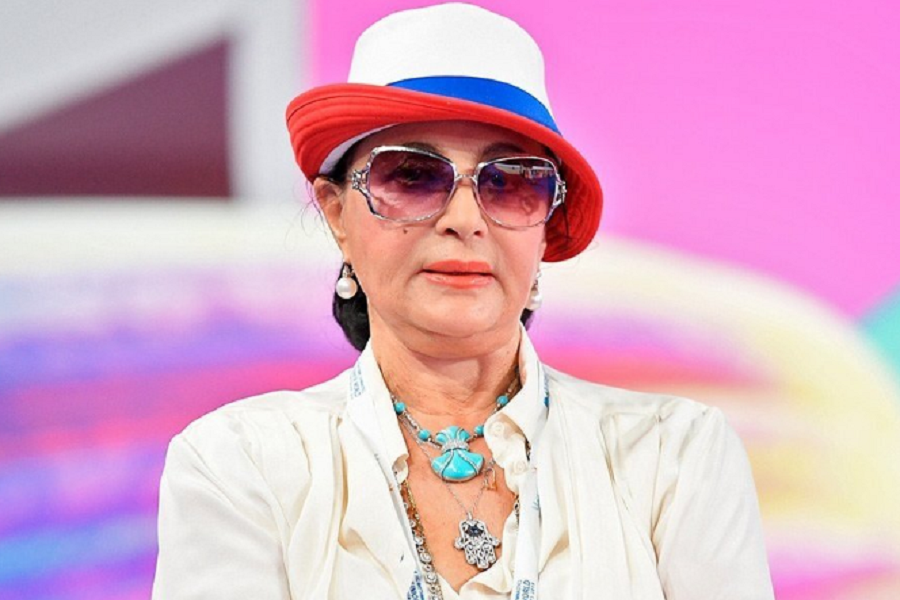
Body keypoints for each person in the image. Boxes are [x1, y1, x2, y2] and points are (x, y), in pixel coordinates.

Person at [152, 3, 774, 599]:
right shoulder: (242, 464)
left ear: (545, 226)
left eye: (511, 182)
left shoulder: (673, 456)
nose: (465, 219)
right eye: (412, 175)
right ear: (337, 214)